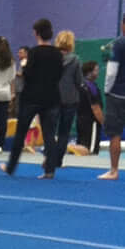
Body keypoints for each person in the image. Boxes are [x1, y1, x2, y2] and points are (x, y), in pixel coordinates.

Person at [4, 19, 63, 178]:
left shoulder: (34, 52)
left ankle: (11, 167)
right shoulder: (57, 53)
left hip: (32, 98)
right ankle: (50, 170)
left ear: (36, 33)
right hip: (51, 98)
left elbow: (27, 75)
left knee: (21, 132)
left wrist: (24, 67)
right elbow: (59, 75)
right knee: (49, 134)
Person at [97, 16, 125, 180]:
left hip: (118, 95)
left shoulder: (119, 44)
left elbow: (112, 71)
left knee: (115, 134)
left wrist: (107, 90)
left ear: (123, 25)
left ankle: (114, 170)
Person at [55, 30, 82, 169]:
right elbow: (79, 81)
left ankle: (49, 158)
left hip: (53, 98)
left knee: (50, 130)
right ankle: (58, 160)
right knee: (64, 132)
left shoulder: (53, 58)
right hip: (70, 99)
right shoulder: (75, 60)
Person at [74, 59, 103, 154]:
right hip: (91, 123)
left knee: (82, 147)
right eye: (96, 70)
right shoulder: (91, 87)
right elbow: (95, 108)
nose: (98, 72)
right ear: (89, 72)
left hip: (80, 121)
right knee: (90, 151)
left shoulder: (80, 85)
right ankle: (62, 146)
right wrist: (104, 123)